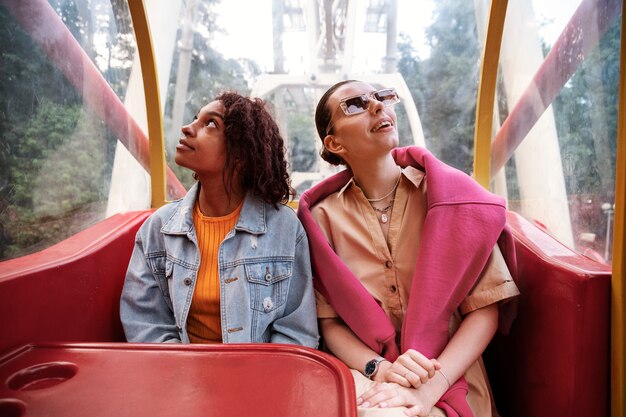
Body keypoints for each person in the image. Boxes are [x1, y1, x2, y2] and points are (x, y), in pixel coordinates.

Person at [297, 80, 520, 417]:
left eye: (381, 97)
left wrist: (430, 387)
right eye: (355, 104)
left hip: (448, 372)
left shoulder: (451, 197)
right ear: (334, 143)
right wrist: (381, 370)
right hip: (367, 371)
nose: (377, 106)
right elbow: (329, 323)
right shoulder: (321, 218)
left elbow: (485, 308)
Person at [120, 91, 318, 348]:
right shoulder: (160, 228)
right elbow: (145, 323)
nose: (187, 128)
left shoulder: (284, 228)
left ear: (241, 153)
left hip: (259, 374)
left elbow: (296, 331)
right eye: (194, 119)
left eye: (210, 123)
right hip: (181, 372)